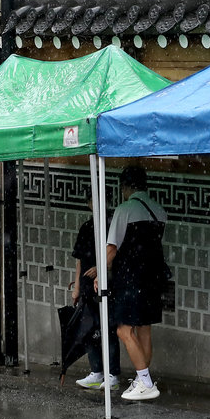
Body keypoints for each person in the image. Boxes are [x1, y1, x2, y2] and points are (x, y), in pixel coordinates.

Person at [104, 166, 167, 401]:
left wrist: (101, 272)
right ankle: (143, 380)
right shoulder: (159, 211)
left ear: (126, 187)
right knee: (145, 329)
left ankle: (145, 382)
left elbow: (112, 248)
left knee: (123, 329)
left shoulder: (124, 210)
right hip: (153, 278)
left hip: (130, 279)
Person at [72, 195, 121, 391]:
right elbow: (78, 259)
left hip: (107, 283)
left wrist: (100, 269)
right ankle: (97, 371)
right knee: (89, 330)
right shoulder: (86, 227)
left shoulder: (111, 224)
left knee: (108, 329)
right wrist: (76, 287)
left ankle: (113, 373)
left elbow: (115, 253)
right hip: (86, 284)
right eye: (92, 200)